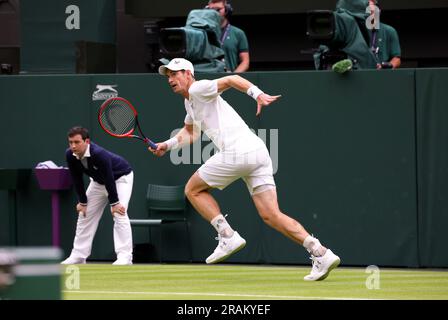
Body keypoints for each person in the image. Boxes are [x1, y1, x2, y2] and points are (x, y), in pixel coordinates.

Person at [152, 58, 341, 281]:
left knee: (193, 189)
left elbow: (231, 79)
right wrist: (168, 144)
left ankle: (227, 235)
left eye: (175, 73)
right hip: (257, 151)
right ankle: (320, 252)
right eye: (168, 76)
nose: (171, 79)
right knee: (271, 215)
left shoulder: (198, 87)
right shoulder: (190, 102)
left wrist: (256, 93)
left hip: (238, 151)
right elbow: (190, 133)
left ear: (188, 74)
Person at [61, 126, 134, 265]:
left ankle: (125, 257)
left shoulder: (99, 154)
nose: (73, 146)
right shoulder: (69, 155)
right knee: (84, 213)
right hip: (98, 182)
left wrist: (114, 203)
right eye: (70, 142)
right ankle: (78, 255)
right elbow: (76, 178)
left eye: (77, 142)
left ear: (86, 141)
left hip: (120, 178)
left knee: (119, 213)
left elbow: (109, 178)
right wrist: (82, 202)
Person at [205, 0, 250, 73]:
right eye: (211, 10)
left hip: (230, 80)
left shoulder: (238, 33)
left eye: (218, 9)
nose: (214, 13)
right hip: (209, 81)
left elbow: (245, 62)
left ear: (227, 10)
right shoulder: (202, 33)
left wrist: (232, 77)